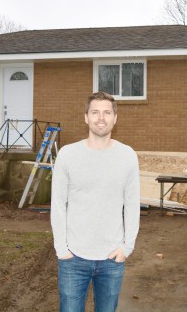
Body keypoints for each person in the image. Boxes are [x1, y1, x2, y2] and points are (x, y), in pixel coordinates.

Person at [51, 91, 140, 312]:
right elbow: (58, 204)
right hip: (73, 259)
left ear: (115, 118)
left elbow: (131, 204)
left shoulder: (127, 155)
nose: (101, 118)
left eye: (107, 112)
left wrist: (127, 247)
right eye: (95, 112)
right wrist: (61, 248)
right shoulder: (67, 155)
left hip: (111, 259)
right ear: (86, 117)